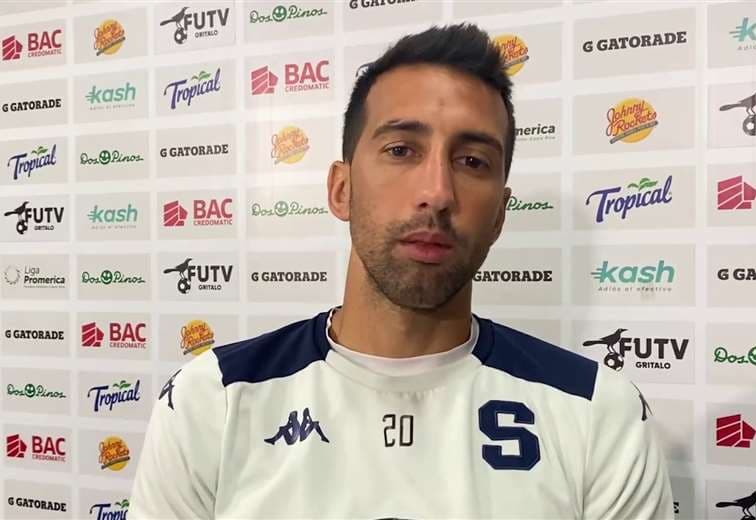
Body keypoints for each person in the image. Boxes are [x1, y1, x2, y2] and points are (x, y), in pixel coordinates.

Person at [130, 23, 673, 519]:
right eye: (401, 149)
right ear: (341, 189)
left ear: (500, 216)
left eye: (472, 161)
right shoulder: (214, 401)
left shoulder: (598, 414)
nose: (437, 192)